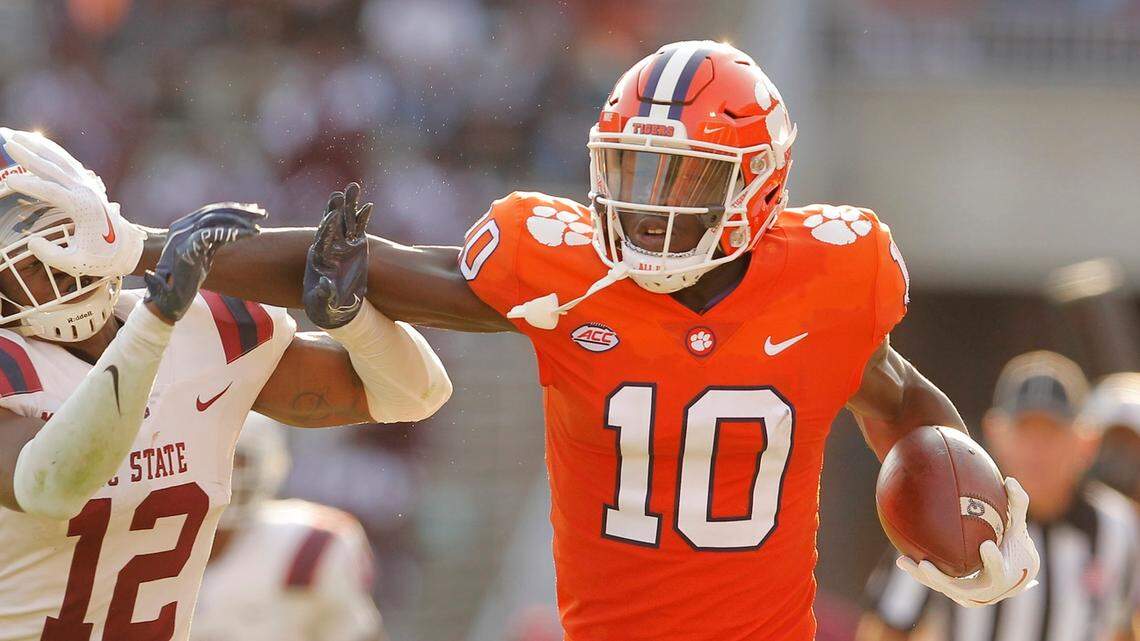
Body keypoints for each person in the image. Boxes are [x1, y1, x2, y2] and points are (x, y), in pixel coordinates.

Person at [107, 41, 1035, 640]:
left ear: (757, 183)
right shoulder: (568, 270)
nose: (646, 202)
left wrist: (968, 507)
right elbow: (365, 264)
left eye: (680, 179)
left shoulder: (829, 278)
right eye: (633, 169)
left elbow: (895, 392)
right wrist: (141, 249)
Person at [0, 128, 451, 641]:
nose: (52, 261)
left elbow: (415, 395)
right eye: (27, 251)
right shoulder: (145, 326)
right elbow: (50, 487)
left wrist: (354, 321)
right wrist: (156, 319)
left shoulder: (200, 330)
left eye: (54, 233)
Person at [858, 352, 1139, 641]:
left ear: (1086, 443)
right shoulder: (950, 512)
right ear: (996, 433)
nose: (1037, 450)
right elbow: (887, 626)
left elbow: (1121, 628)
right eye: (1024, 430)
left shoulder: (1117, 527)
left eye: (1053, 432)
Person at [192, 414, 385, 641]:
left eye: (237, 459)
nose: (225, 474)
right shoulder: (143, 537)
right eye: (206, 461)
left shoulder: (308, 547)